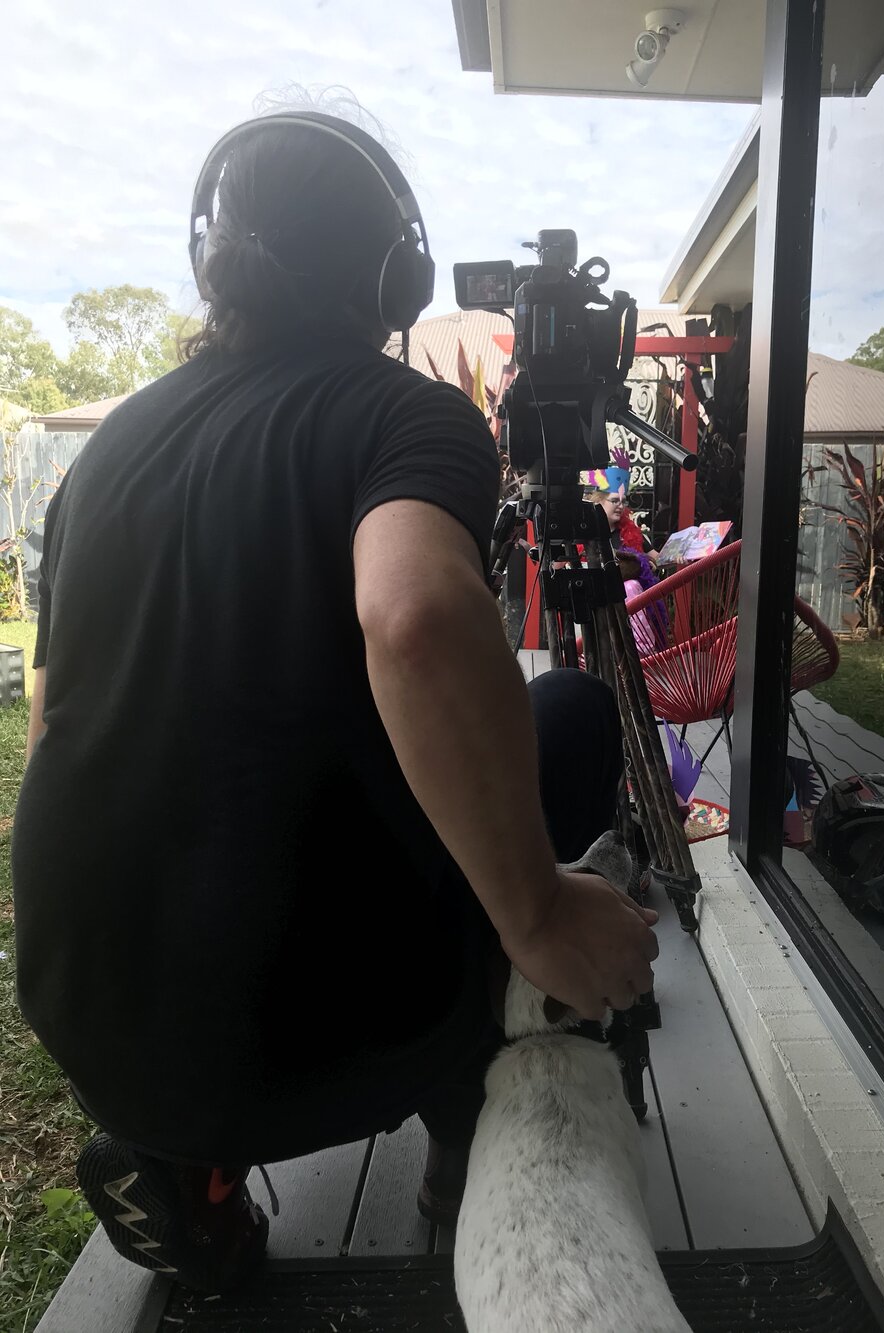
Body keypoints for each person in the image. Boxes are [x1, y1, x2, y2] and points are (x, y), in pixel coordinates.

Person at [11, 100, 659, 1294]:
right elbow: (412, 620)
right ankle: (463, 1116)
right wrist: (531, 911)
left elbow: (53, 719)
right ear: (396, 271)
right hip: (328, 1034)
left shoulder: (107, 453)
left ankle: (180, 1172)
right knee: (565, 710)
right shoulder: (404, 412)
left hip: (94, 1013)